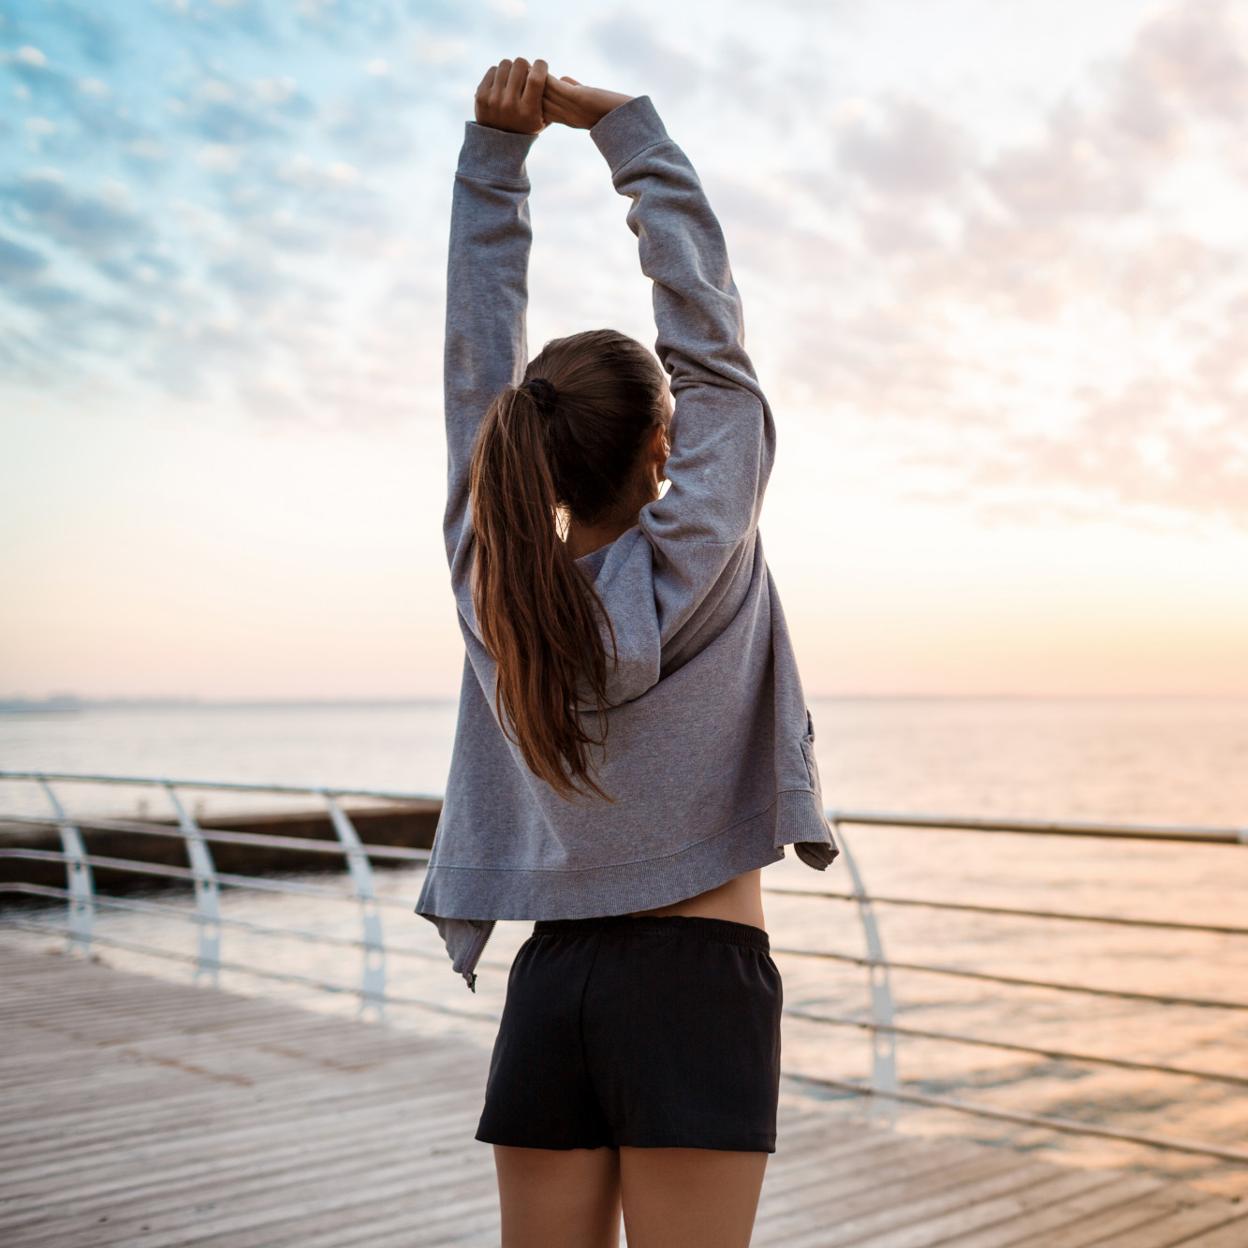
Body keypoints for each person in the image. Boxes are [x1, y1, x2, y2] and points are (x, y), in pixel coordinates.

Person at [415, 56, 841, 1248]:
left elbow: (471, 374)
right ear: (666, 448)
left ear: (523, 460)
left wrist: (492, 165)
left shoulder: (493, 587)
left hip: (554, 984)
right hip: (700, 983)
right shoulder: (704, 543)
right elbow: (716, 349)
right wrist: (628, 136)